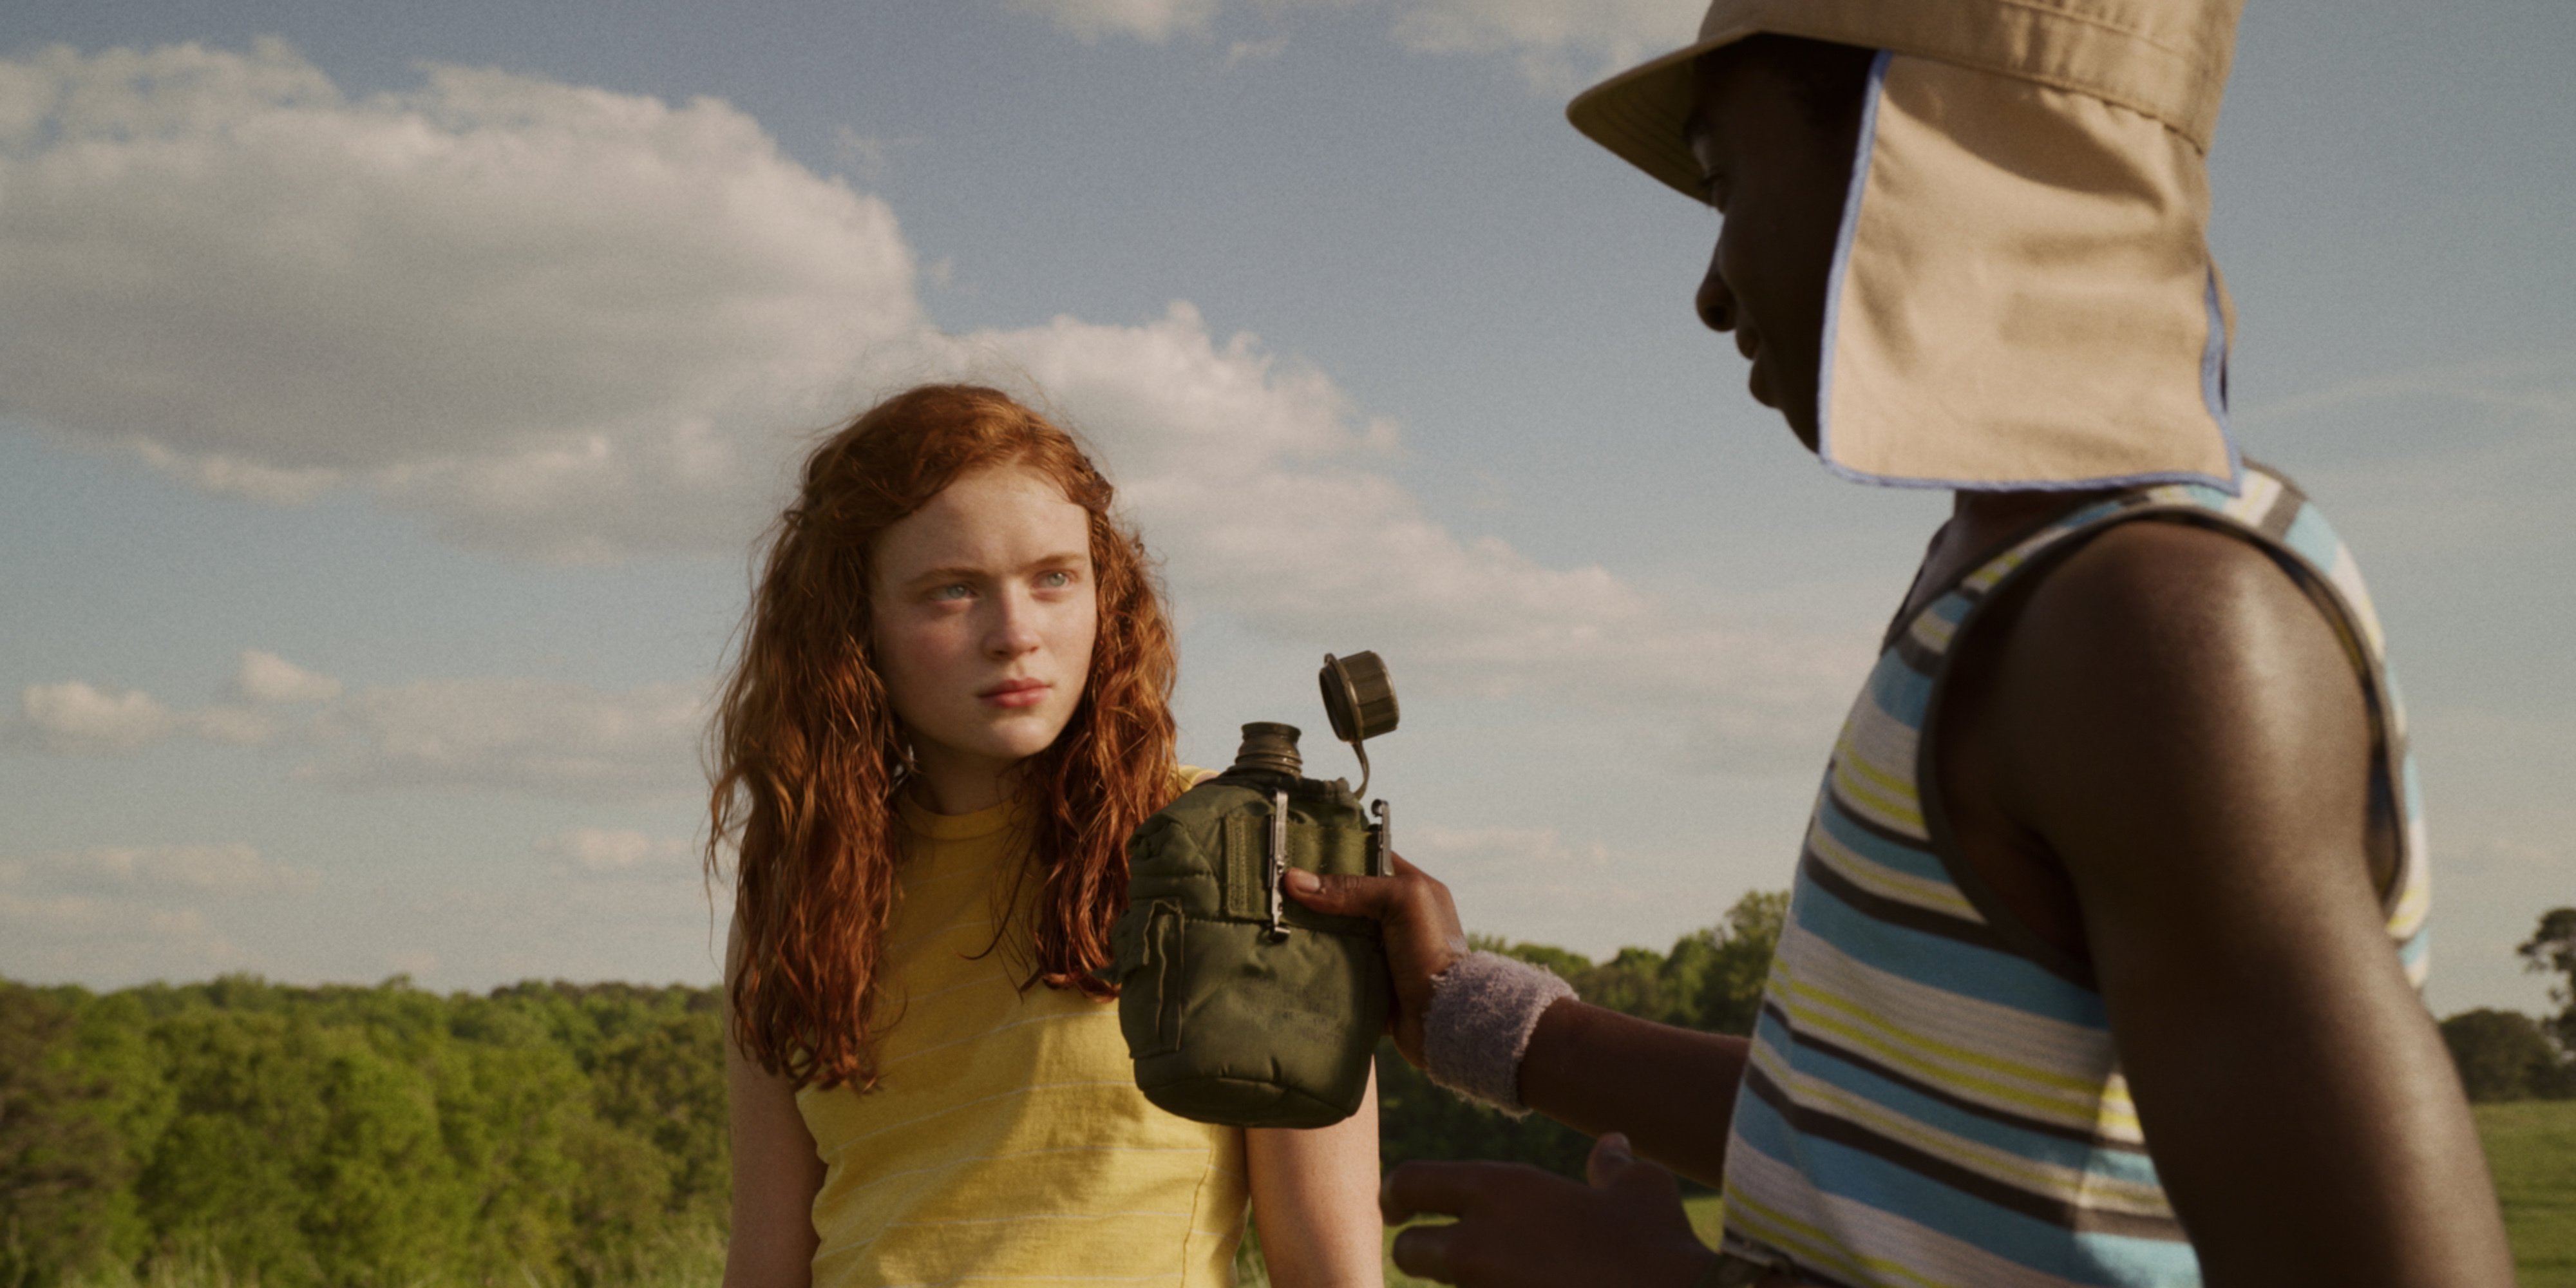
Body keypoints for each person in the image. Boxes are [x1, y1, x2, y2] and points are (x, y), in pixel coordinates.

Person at [1287, 3, 2519, 1285]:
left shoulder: (2155, 632)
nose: (1708, 292)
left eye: (1722, 184)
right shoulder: (2014, 585)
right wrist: (1462, 1013)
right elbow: (1872, 1138)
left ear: (1929, 160)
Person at [710, 384, 1383, 1288]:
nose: (1016, 634)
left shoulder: (1237, 848)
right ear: (852, 627)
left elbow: (1330, 1268)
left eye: (1054, 577)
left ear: (1106, 593)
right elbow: (765, 1266)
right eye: (952, 591)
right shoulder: (800, 894)